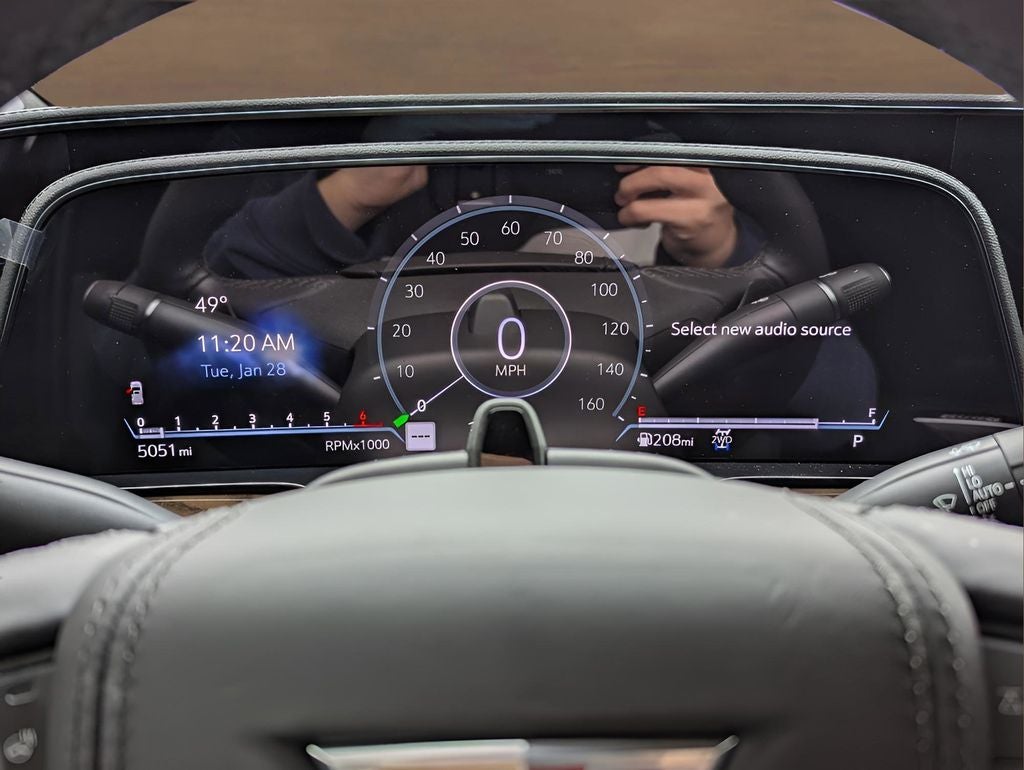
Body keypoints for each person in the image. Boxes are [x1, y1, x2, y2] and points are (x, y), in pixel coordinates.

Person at [203, 163, 763, 279]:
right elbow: (203, 307)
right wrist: (342, 198)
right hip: (376, 453)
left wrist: (723, 253)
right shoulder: (335, 127)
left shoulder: (689, 154)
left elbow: (820, 388)